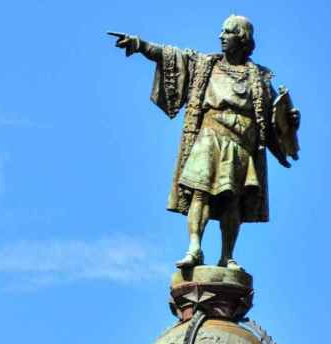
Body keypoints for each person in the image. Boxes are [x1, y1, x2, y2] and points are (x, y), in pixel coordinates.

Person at [112, 15, 300, 271]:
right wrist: (140, 45)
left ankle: (227, 256)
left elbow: (274, 121)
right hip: (210, 135)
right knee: (199, 193)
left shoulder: (260, 79)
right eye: (222, 31)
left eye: (228, 32)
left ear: (242, 38)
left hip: (241, 142)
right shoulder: (205, 65)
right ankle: (194, 247)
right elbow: (170, 56)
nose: (221, 36)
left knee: (232, 201)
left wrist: (291, 120)